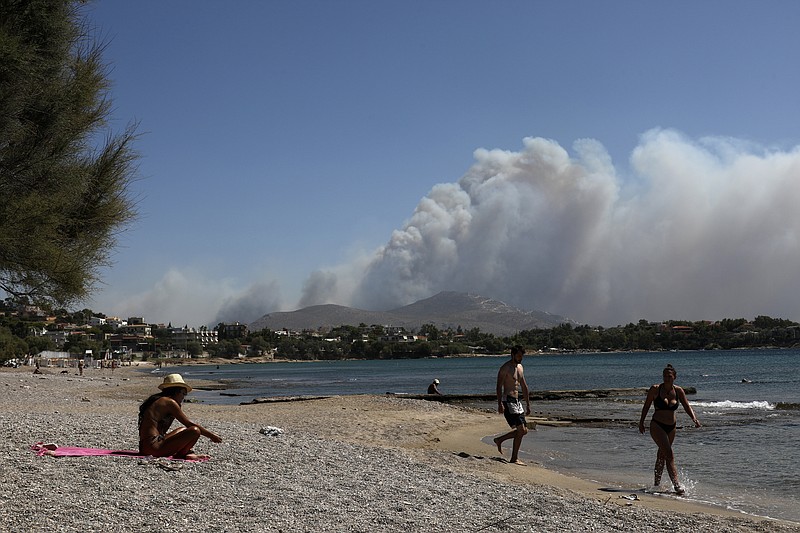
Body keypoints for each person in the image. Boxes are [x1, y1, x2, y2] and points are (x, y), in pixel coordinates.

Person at [639, 364, 701, 495]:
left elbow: (686, 406)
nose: (666, 379)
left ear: (675, 377)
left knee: (662, 455)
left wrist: (694, 419)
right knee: (669, 454)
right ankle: (677, 485)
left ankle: (656, 485)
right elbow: (646, 406)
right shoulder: (655, 389)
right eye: (665, 376)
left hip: (671, 427)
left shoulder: (678, 391)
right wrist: (641, 422)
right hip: (657, 425)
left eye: (669, 376)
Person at [138, 373, 222, 460]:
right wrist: (212, 436)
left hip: (146, 447)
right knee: (195, 430)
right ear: (176, 391)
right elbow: (189, 424)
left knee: (181, 429)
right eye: (183, 393)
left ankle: (187, 452)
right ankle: (183, 454)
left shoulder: (160, 400)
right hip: (153, 448)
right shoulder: (170, 402)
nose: (183, 397)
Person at [493, 345, 531, 465]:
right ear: (512, 354)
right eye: (519, 356)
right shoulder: (505, 368)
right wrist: (499, 404)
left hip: (517, 401)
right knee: (520, 430)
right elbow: (499, 386)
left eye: (522, 356)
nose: (521, 358)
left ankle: (499, 440)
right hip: (507, 400)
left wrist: (528, 404)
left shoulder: (520, 367)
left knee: (524, 431)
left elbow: (524, 386)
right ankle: (514, 458)